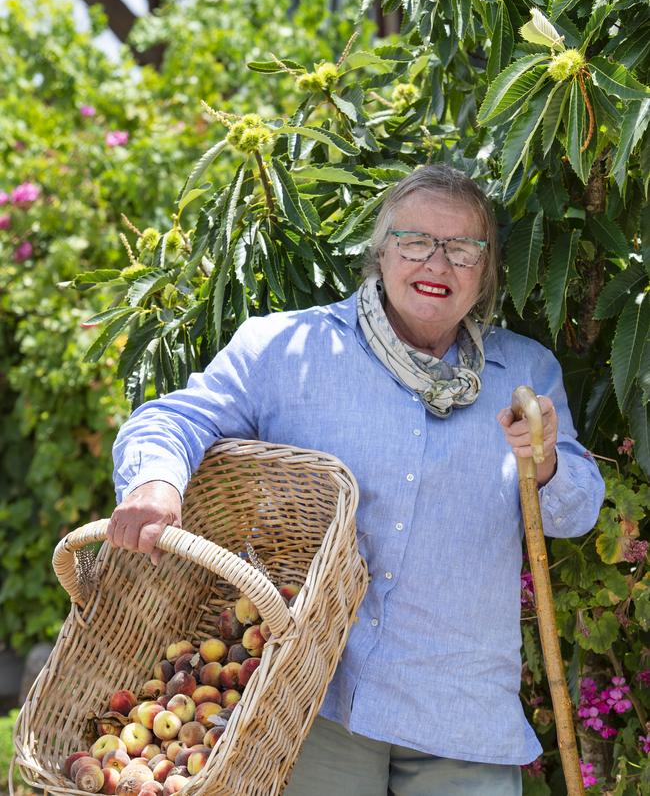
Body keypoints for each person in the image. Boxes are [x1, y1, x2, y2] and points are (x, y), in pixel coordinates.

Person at [108, 164, 605, 796]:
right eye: (415, 242)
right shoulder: (287, 348)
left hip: (459, 708)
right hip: (313, 701)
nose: (437, 264)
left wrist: (548, 465)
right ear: (379, 252)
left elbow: (575, 513)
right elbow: (176, 417)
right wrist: (155, 483)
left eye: (462, 249)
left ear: (487, 273)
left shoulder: (525, 373)